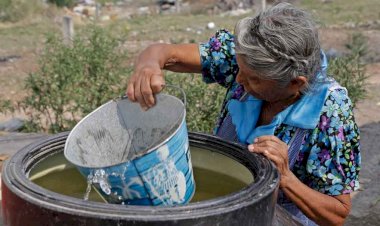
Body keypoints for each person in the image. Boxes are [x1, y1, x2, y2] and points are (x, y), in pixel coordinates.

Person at [126, 3, 361, 225]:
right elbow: (163, 53)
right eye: (240, 70)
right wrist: (148, 66)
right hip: (223, 205)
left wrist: (286, 178)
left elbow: (337, 214)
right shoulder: (246, 57)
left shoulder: (330, 114)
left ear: (294, 83)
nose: (238, 80)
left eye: (253, 79)